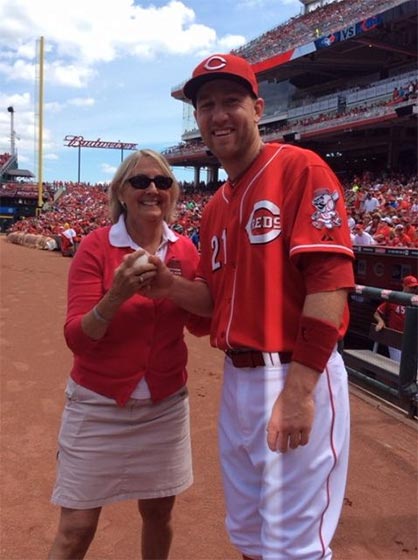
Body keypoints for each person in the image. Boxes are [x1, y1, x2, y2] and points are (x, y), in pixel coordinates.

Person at [142, 53, 355, 559]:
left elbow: (329, 281)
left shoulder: (300, 167)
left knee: (294, 546)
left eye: (231, 102)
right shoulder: (217, 204)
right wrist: (168, 286)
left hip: (295, 371)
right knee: (250, 536)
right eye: (206, 105)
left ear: (258, 108)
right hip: (238, 379)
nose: (218, 115)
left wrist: (300, 392)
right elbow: (216, 301)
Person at [48, 149, 210, 560]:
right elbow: (78, 339)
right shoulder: (96, 247)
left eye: (163, 182)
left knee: (158, 512)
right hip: (98, 401)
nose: (152, 189)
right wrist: (116, 295)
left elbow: (201, 325)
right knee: (76, 527)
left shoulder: (185, 252)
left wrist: (178, 288)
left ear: (173, 192)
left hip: (165, 404)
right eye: (140, 182)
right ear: (121, 192)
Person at [373, 275, 418, 362]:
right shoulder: (395, 298)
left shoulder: (416, 300)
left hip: (412, 340)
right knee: (399, 365)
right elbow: (376, 313)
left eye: (415, 287)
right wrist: (381, 321)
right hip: (395, 339)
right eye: (411, 287)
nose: (413, 290)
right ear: (404, 286)